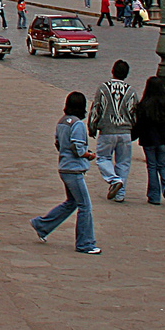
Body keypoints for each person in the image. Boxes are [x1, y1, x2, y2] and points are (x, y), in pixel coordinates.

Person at [30, 91, 101, 254]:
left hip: (64, 166)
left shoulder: (62, 122)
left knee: (72, 202)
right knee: (85, 205)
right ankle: (85, 243)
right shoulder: (77, 125)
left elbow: (58, 143)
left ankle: (42, 225)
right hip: (74, 169)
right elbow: (77, 148)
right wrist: (88, 155)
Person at [89, 60, 137, 202]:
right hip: (125, 132)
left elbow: (96, 109)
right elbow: (134, 113)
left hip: (107, 131)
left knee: (103, 158)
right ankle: (120, 194)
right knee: (123, 162)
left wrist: (92, 126)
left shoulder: (103, 88)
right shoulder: (131, 91)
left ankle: (114, 179)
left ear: (112, 71)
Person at [131, 76, 165, 205]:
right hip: (164, 139)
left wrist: (131, 136)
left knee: (152, 167)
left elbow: (139, 125)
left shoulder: (144, 105)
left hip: (148, 140)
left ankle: (154, 196)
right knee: (162, 165)